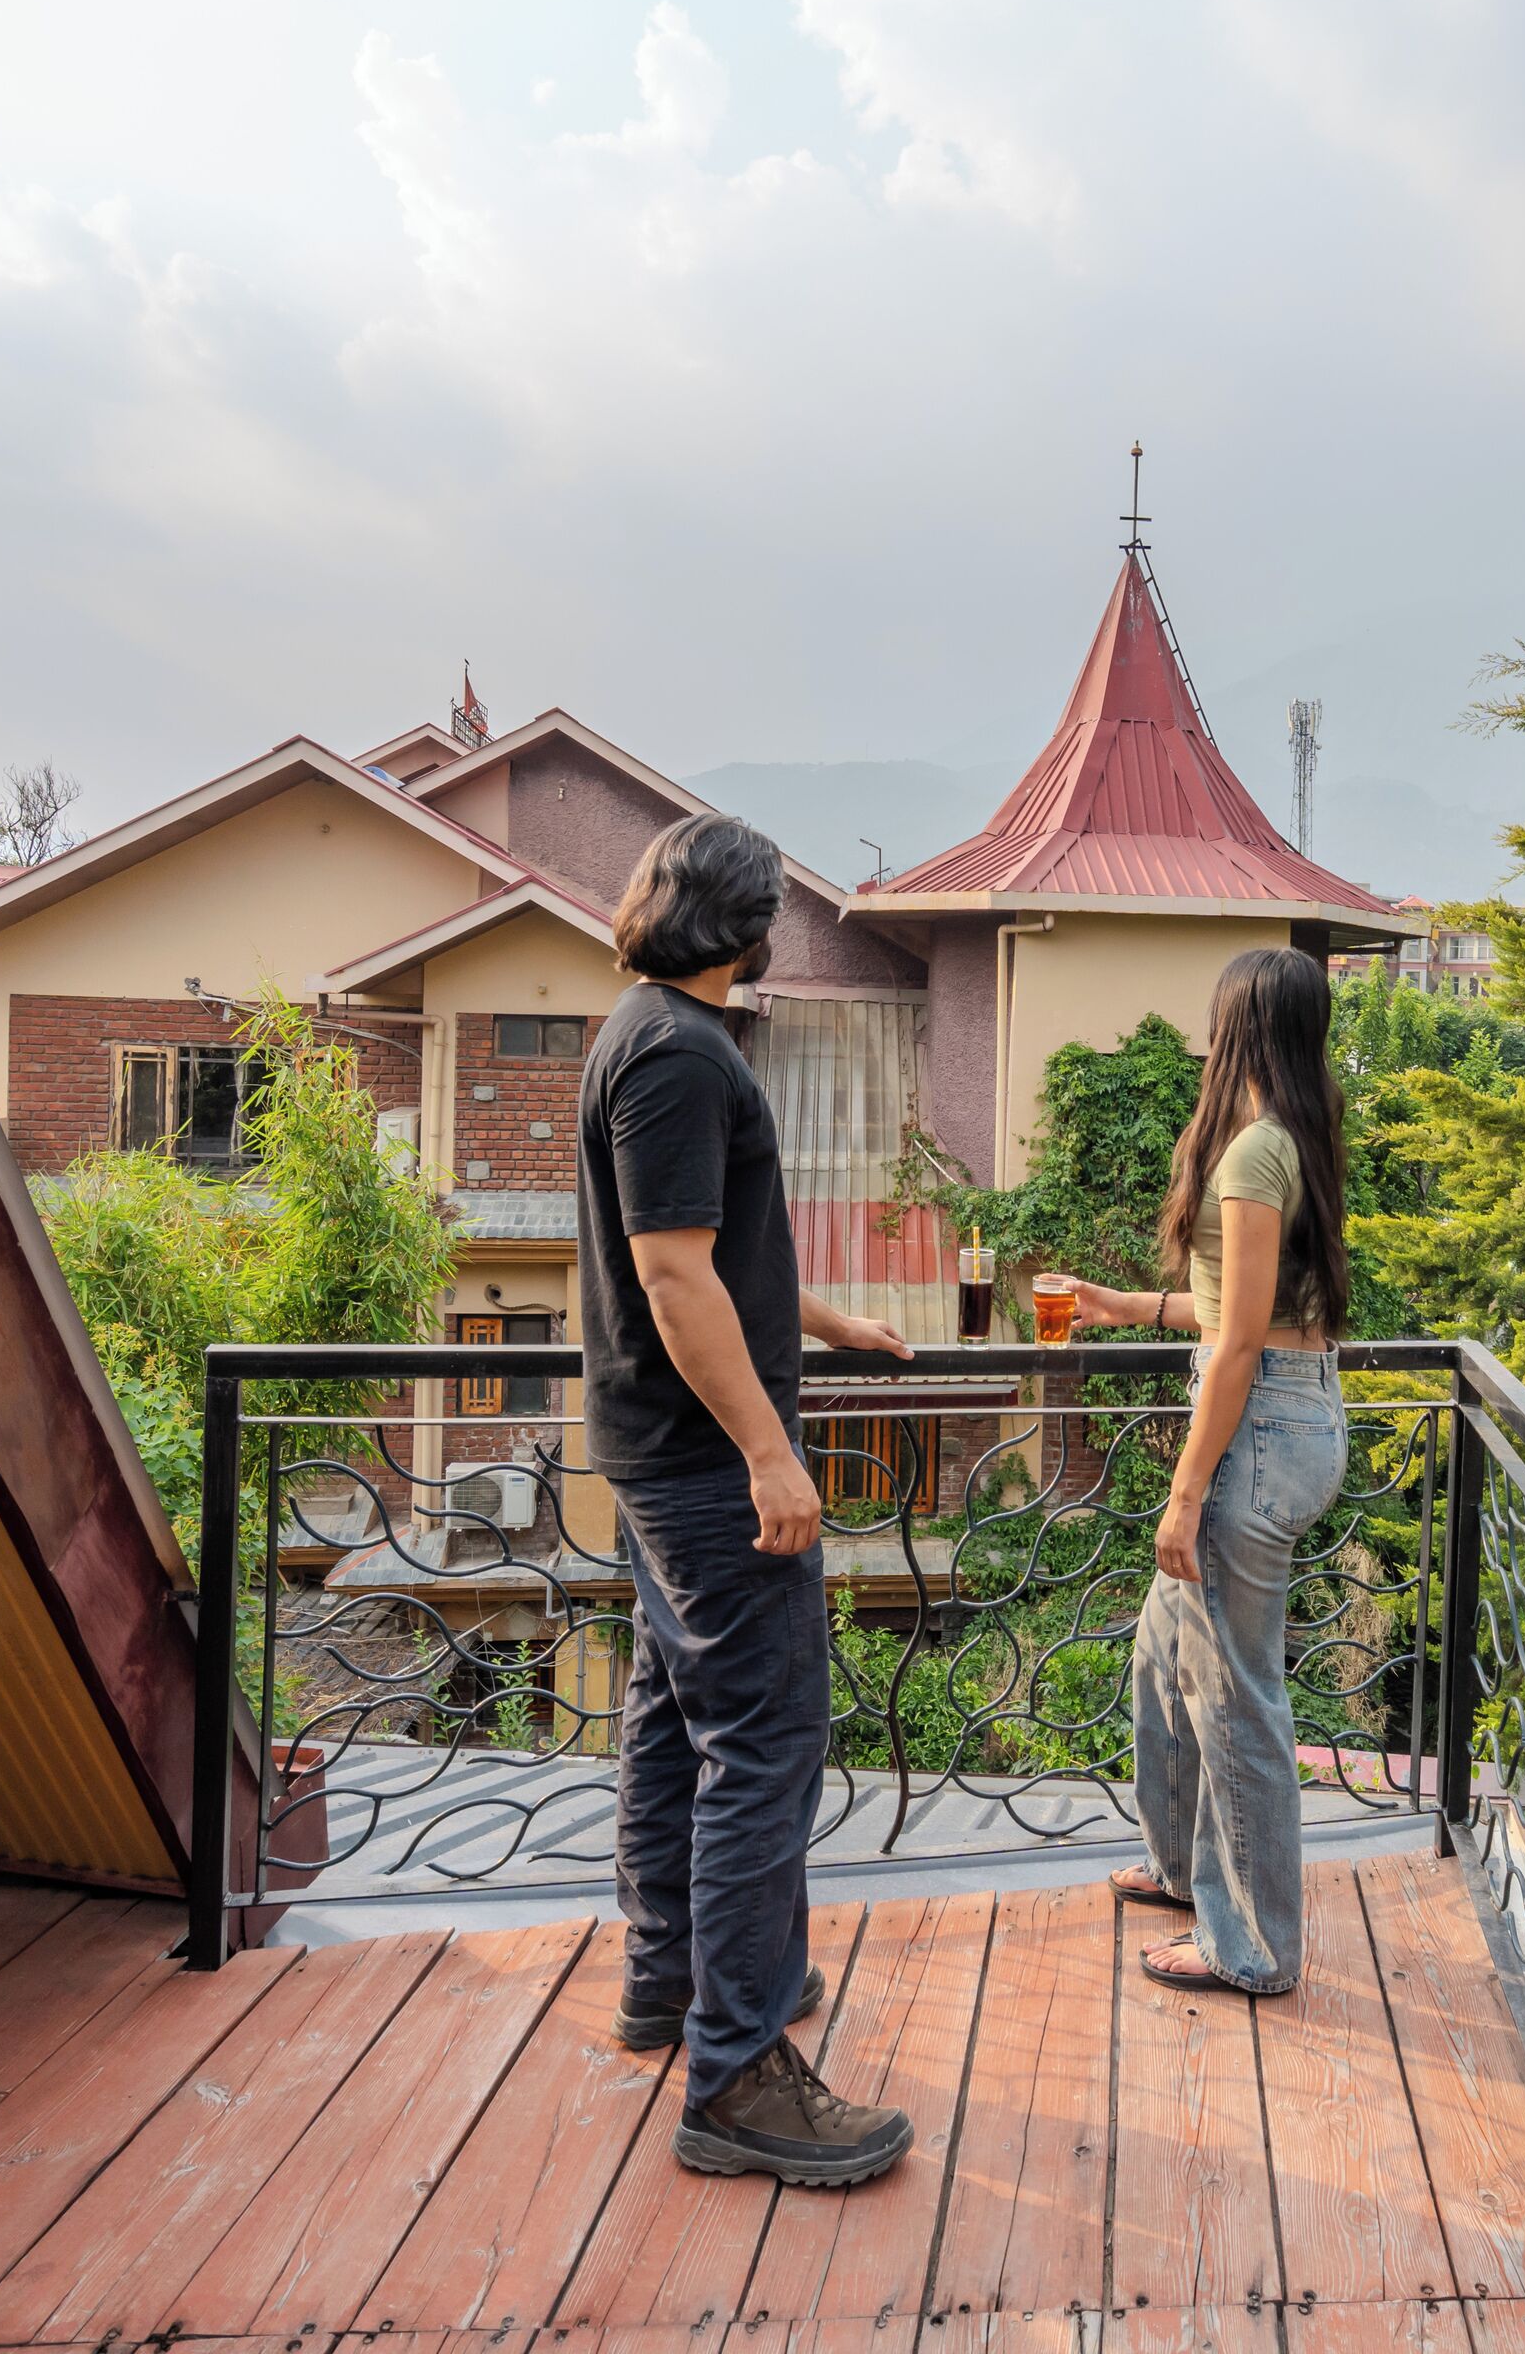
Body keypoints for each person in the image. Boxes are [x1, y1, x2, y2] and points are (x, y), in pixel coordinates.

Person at [576, 811, 918, 2185]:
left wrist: (830, 1326)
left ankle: (672, 1983)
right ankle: (737, 2072)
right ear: (747, 923)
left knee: (674, 1719)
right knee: (765, 1744)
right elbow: (670, 1278)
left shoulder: (642, 1031)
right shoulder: (678, 1054)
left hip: (662, 1454)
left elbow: (715, 1254)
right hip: (709, 1463)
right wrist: (772, 1453)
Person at [1046, 946, 1352, 1994]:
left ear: (1239, 1027)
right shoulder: (1299, 1131)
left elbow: (1240, 1343)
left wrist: (1184, 1495)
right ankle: (1183, 1869)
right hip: (1294, 1414)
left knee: (1236, 1700)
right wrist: (1129, 1306)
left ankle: (1252, 1946)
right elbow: (1243, 1307)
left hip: (1256, 1431)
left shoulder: (1256, 1150)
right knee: (1164, 1654)